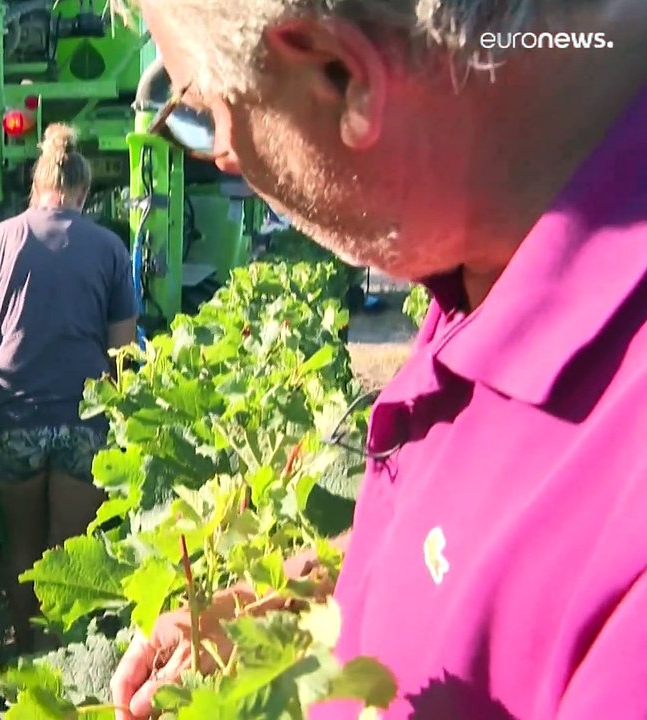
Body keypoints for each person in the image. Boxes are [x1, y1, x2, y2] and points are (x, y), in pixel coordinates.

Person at [109, 1, 647, 719]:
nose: (221, 155)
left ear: (341, 74)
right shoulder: (493, 243)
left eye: (201, 108)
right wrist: (291, 611)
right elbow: (484, 554)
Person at [0, 123, 139, 655]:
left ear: (36, 186)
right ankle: (67, 666)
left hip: (12, 419)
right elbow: (123, 351)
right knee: (70, 556)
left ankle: (27, 650)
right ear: (83, 192)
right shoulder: (109, 248)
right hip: (85, 422)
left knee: (24, 548)